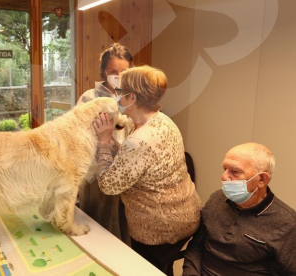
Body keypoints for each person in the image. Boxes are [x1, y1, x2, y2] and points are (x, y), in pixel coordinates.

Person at [92, 65, 201, 274]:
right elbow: (132, 159)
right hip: (185, 213)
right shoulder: (161, 121)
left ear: (132, 98)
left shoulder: (140, 140)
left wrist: (104, 141)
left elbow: (108, 185)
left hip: (159, 228)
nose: (117, 96)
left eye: (119, 91)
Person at [182, 143, 296, 276]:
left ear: (262, 179)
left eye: (235, 171)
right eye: (224, 169)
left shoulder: (287, 223)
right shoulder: (216, 199)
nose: (224, 177)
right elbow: (196, 246)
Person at [76, 43, 134, 244]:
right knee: (98, 229)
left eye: (124, 71)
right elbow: (79, 136)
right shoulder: (90, 99)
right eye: (113, 72)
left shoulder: (133, 99)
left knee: (123, 229)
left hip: (127, 175)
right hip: (96, 176)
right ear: (103, 72)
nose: (119, 76)